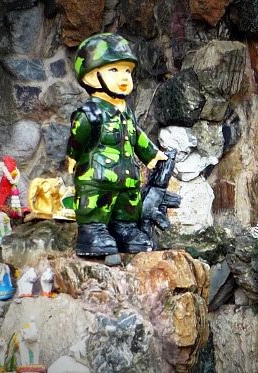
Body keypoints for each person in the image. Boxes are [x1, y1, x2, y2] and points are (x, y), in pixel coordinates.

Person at [67, 33, 168, 256]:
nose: (124, 77)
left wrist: (152, 155)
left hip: (127, 177)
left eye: (127, 71)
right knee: (95, 205)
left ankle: (125, 230)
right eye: (114, 70)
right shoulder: (90, 113)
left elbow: (136, 135)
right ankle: (92, 232)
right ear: (92, 77)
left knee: (128, 205)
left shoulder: (126, 111)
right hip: (97, 177)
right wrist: (72, 158)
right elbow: (77, 137)